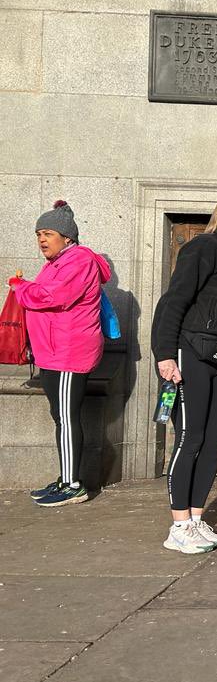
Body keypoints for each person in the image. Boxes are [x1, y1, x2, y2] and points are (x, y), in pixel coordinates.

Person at [151, 194, 217, 553]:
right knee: (189, 437)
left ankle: (194, 518)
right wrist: (165, 356)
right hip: (189, 351)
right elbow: (173, 302)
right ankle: (178, 524)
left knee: (212, 441)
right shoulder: (203, 247)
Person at [14, 200, 110, 507]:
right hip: (54, 353)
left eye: (48, 233)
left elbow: (53, 296)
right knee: (62, 418)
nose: (41, 239)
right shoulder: (58, 262)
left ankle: (73, 485)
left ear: (67, 237)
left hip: (70, 353)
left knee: (67, 419)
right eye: (38, 234)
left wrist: (20, 287)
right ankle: (66, 477)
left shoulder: (78, 260)